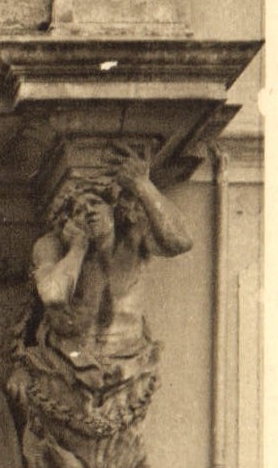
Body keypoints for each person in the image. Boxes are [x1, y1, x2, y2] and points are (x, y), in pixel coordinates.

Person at [29, 145, 192, 387]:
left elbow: (181, 241)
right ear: (68, 221)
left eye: (94, 204)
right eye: (79, 211)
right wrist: (77, 249)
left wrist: (142, 185)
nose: (88, 214)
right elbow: (53, 295)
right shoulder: (54, 246)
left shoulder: (134, 239)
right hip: (67, 367)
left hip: (129, 365)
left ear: (111, 208)